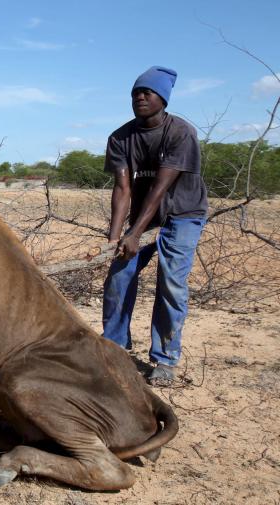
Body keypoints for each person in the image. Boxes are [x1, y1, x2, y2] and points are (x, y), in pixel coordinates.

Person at [102, 66, 208, 386]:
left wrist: (134, 234)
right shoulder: (121, 137)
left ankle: (164, 359)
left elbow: (160, 188)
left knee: (171, 282)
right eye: (136, 93)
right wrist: (115, 238)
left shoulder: (180, 132)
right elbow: (123, 190)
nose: (140, 98)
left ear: (163, 98)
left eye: (147, 92)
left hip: (183, 213)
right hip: (146, 215)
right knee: (119, 273)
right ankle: (114, 347)